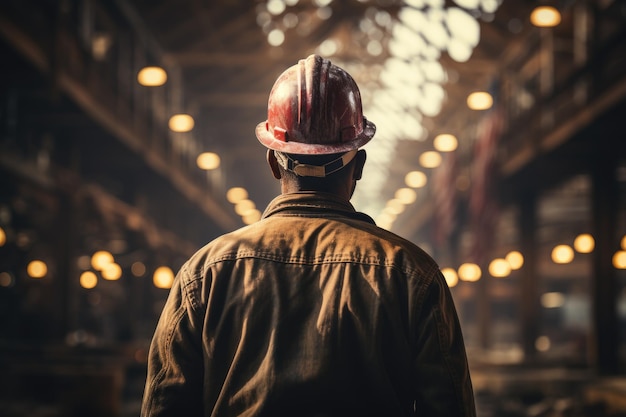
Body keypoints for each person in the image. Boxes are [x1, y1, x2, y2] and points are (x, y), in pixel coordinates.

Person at [141, 54, 476, 417]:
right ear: (358, 167)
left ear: (272, 162)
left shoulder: (205, 272)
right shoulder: (412, 274)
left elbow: (164, 405)